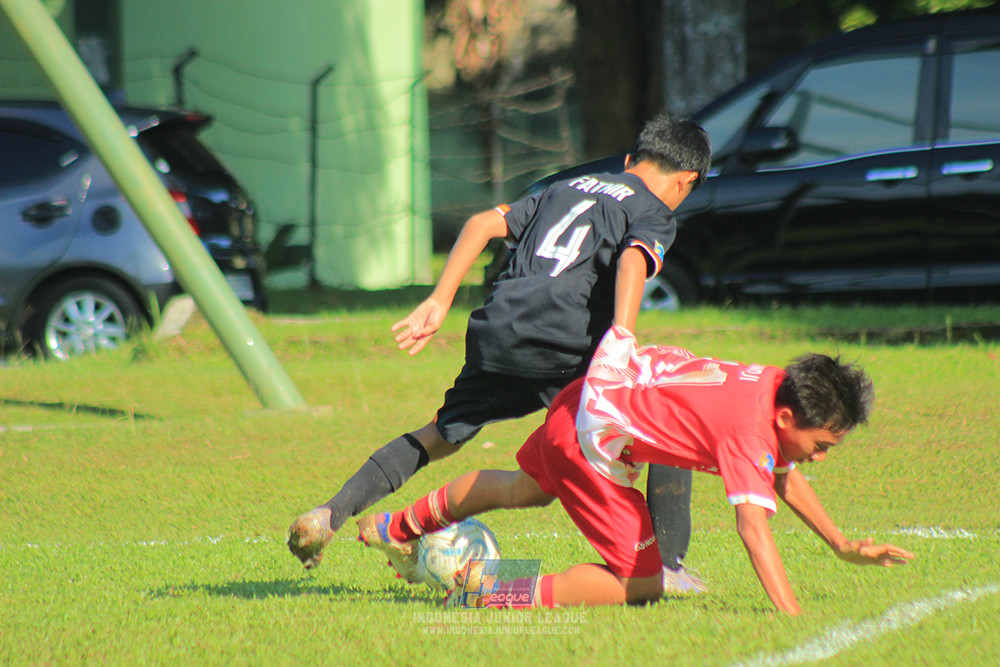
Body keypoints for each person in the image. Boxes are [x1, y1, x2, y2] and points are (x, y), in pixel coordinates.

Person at [288, 115, 713, 591]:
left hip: (499, 329)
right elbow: (634, 259)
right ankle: (666, 567)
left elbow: (481, 223)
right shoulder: (654, 210)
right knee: (662, 415)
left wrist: (439, 300)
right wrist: (622, 339)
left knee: (442, 437)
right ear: (687, 180)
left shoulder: (565, 187)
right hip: (563, 344)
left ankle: (334, 513)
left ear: (631, 160)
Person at [357, 326, 915, 614]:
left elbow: (781, 471)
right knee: (643, 585)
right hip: (591, 443)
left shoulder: (773, 383)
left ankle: (397, 527)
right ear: (788, 418)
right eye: (821, 445)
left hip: (584, 399)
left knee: (524, 489)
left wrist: (841, 544)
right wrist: (789, 612)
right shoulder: (751, 432)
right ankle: (488, 591)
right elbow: (752, 525)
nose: (820, 457)